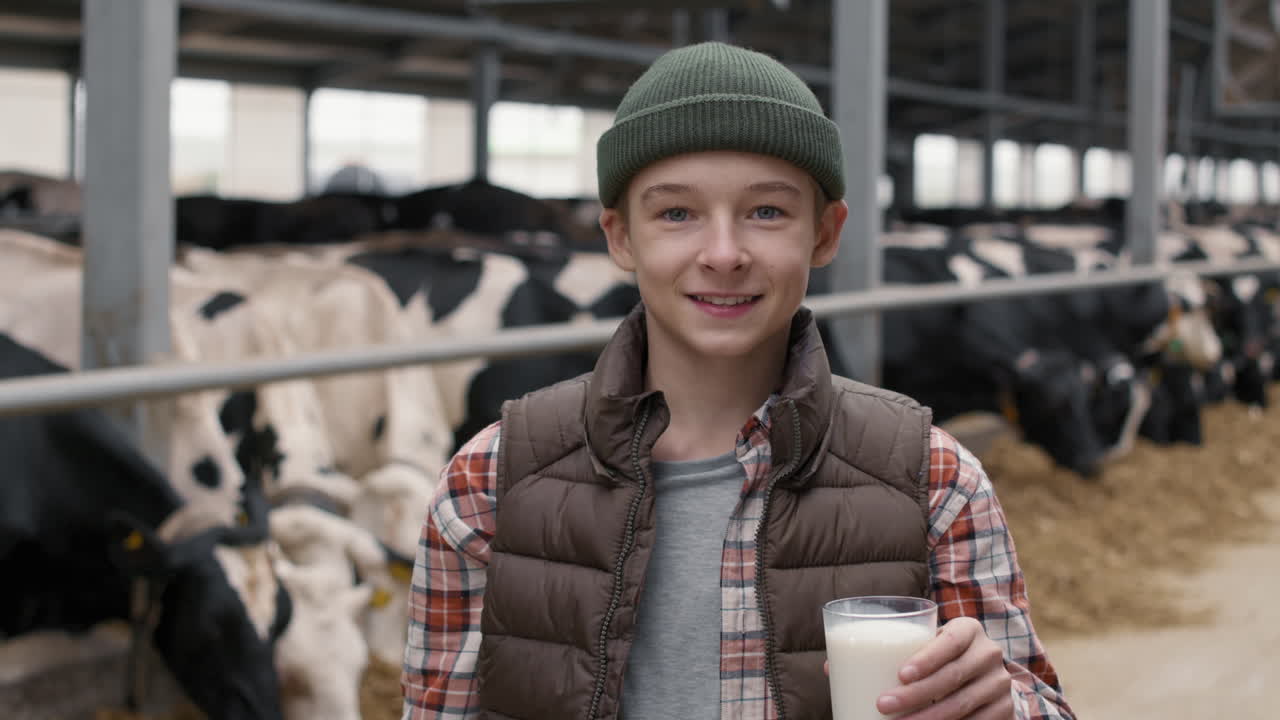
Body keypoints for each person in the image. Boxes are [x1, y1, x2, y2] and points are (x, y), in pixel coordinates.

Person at [402, 41, 1075, 720]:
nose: (723, 254)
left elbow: (1039, 704)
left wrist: (1007, 709)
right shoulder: (489, 483)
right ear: (619, 237)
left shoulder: (934, 479)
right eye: (676, 214)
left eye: (767, 212)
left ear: (825, 232)